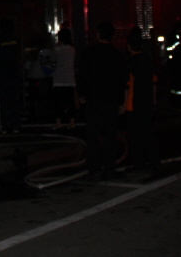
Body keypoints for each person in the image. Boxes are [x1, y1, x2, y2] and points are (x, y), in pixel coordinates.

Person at [77, 22, 129, 179]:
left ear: (99, 34)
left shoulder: (89, 52)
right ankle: (109, 168)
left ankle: (94, 169)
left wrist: (82, 95)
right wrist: (121, 100)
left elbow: (82, 75)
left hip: (93, 99)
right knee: (110, 136)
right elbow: (122, 79)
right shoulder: (117, 54)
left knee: (93, 136)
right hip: (111, 100)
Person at [125, 26, 161, 180]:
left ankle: (139, 164)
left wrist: (123, 106)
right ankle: (154, 162)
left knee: (135, 136)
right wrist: (154, 101)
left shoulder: (129, 63)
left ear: (129, 46)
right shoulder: (148, 61)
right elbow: (154, 83)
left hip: (133, 104)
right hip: (147, 102)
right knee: (149, 134)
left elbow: (127, 86)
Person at [0, 19, 24, 133]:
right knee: (14, 100)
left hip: (1, 74)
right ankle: (16, 125)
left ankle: (4, 126)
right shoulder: (16, 41)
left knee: (2, 101)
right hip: (13, 74)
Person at [52, 27, 78, 130]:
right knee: (70, 102)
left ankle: (58, 123)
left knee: (58, 102)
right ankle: (72, 123)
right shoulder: (72, 50)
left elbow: (53, 60)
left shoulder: (57, 49)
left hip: (59, 79)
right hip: (70, 79)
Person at [165, 20, 181, 111]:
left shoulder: (176, 37)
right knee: (180, 85)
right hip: (176, 64)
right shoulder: (175, 38)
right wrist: (179, 44)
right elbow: (171, 49)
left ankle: (175, 104)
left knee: (174, 85)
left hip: (175, 64)